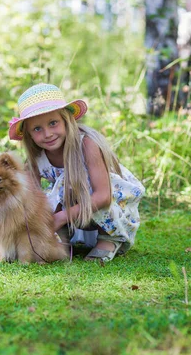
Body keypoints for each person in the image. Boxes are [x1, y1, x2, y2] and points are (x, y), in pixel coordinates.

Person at [8, 83, 145, 262]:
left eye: (53, 123)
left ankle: (108, 238)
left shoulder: (86, 145)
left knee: (74, 184)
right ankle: (61, 237)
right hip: (76, 206)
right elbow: (30, 197)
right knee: (45, 197)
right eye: (37, 129)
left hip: (109, 203)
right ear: (29, 134)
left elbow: (103, 196)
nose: (47, 133)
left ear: (66, 120)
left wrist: (62, 216)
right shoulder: (37, 157)